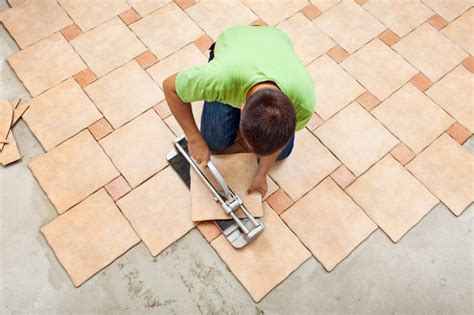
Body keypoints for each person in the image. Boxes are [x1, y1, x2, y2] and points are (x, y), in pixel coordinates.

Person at [163, 24, 315, 197]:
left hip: (274, 42)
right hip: (236, 41)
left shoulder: (303, 104)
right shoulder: (220, 78)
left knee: (283, 153)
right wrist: (194, 138)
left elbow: (279, 143)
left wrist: (261, 173)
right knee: (214, 143)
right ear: (241, 106)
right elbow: (170, 88)